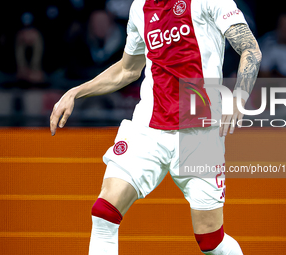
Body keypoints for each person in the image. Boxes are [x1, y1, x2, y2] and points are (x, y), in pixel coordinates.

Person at [50, 0, 261, 254]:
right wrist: (76, 91)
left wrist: (239, 95)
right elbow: (127, 70)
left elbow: (251, 49)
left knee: (210, 241)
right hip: (148, 128)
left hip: (200, 132)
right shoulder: (139, 7)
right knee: (104, 213)